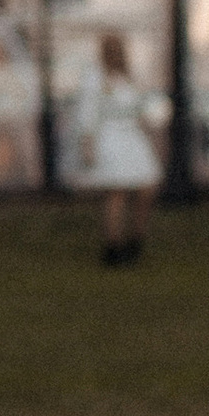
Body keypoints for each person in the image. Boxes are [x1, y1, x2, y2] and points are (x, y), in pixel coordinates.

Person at [73, 32, 162, 263]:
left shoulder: (130, 76)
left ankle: (136, 239)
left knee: (146, 187)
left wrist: (152, 133)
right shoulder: (95, 76)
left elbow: (141, 107)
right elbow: (88, 110)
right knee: (117, 192)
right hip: (109, 138)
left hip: (132, 136)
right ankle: (113, 245)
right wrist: (88, 142)